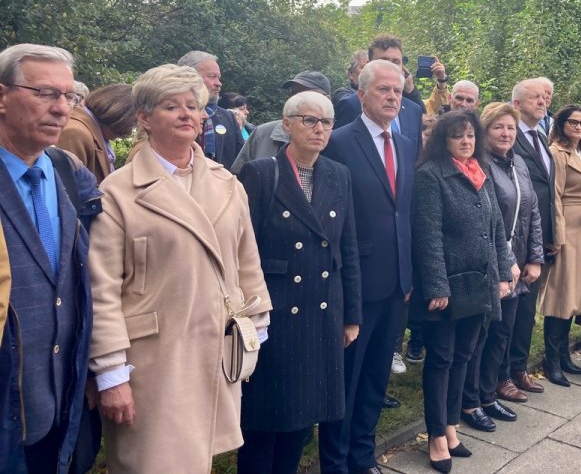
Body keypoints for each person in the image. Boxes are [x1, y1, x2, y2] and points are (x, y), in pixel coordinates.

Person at [87, 63, 272, 472]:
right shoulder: (118, 193)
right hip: (153, 360)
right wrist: (111, 373)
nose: (188, 114)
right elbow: (101, 289)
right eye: (173, 106)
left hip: (213, 348)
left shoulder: (227, 184)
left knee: (196, 457)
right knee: (151, 461)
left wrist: (256, 329)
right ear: (144, 118)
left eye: (194, 105)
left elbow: (247, 260)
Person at [237, 92, 362, 474]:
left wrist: (351, 315)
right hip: (272, 311)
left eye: (326, 122)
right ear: (286, 124)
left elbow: (348, 248)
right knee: (264, 417)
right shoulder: (260, 172)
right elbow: (243, 249)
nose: (320, 129)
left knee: (301, 418)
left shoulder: (337, 174)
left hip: (322, 307)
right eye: (309, 120)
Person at [0, 44, 101, 473]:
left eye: (69, 97)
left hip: (62, 402)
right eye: (45, 93)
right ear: (2, 96)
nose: (62, 108)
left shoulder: (67, 171)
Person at [318, 59, 416, 474]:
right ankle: (335, 464)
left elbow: (404, 213)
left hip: (397, 282)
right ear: (361, 95)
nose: (393, 97)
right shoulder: (340, 142)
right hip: (356, 283)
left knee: (377, 379)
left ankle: (363, 456)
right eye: (383, 90)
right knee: (348, 380)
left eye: (397, 91)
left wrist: (409, 273)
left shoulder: (407, 143)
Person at [412, 111, 513, 472]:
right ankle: (436, 435)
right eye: (458, 136)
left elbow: (497, 230)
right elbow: (428, 235)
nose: (466, 142)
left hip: (480, 284)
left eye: (470, 136)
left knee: (463, 357)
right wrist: (437, 285)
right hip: (449, 288)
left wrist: (503, 274)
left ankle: (452, 426)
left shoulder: (479, 174)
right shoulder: (430, 176)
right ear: (444, 140)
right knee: (440, 359)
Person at [459, 103, 543, 433]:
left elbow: (533, 212)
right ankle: (470, 401)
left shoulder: (518, 163)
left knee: (502, 333)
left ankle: (488, 391)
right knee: (479, 336)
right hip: (490, 265)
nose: (506, 133)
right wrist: (502, 266)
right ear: (485, 130)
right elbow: (485, 221)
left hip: (517, 264)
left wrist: (533, 258)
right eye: (499, 127)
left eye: (511, 128)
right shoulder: (478, 164)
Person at [542, 104, 581, 386]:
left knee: (575, 295)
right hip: (570, 228)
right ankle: (551, 359)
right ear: (561, 124)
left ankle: (564, 355)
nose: (579, 127)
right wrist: (557, 236)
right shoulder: (557, 153)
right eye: (573, 123)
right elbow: (554, 196)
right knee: (560, 295)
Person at [507, 79, 554, 394]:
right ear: (517, 104)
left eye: (545, 97)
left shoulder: (541, 138)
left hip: (538, 236)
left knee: (527, 312)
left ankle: (518, 368)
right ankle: (501, 376)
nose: (543, 101)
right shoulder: (510, 139)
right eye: (535, 97)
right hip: (514, 238)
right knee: (508, 315)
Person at [230, 70, 331, 173]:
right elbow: (237, 179)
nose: (298, 100)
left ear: (327, 100)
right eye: (294, 94)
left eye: (307, 95)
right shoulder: (263, 134)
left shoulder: (335, 142)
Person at [333, 35, 424, 146]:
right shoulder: (351, 105)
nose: (390, 67)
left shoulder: (413, 110)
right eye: (383, 61)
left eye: (396, 62)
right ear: (369, 64)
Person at [177, 51, 244, 170]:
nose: (219, 84)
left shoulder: (228, 118)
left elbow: (241, 165)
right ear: (188, 77)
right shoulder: (171, 116)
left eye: (219, 78)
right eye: (212, 76)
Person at [57, 83, 136, 183]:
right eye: (133, 122)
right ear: (121, 117)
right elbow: (67, 187)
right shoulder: (76, 134)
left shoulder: (93, 131)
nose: (129, 131)